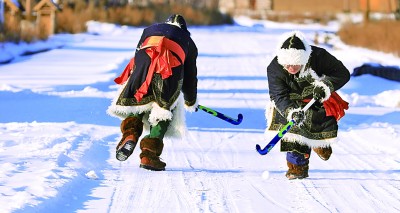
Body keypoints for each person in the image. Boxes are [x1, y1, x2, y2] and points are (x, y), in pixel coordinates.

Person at [107, 14, 198, 171]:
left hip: (144, 63)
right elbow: (190, 78)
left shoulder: (150, 30)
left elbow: (137, 55)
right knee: (163, 110)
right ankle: (149, 155)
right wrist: (190, 101)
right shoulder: (188, 41)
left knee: (138, 101)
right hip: (169, 68)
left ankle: (131, 134)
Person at [266, 31, 350, 180]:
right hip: (290, 101)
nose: (291, 68)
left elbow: (342, 73)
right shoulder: (275, 68)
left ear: (304, 59)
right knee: (294, 132)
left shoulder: (318, 56)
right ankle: (297, 168)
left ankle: (320, 143)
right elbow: (278, 95)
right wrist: (290, 111)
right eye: (288, 65)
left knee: (317, 127)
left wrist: (325, 86)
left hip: (316, 98)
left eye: (296, 64)